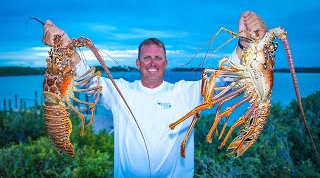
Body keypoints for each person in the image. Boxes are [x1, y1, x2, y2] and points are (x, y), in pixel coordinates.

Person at [42, 11, 267, 177]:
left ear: (166, 63)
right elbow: (86, 80)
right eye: (147, 58)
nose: (152, 63)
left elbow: (223, 79)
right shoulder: (121, 90)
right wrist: (66, 47)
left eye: (158, 58)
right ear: (138, 63)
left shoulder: (185, 92)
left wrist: (245, 45)